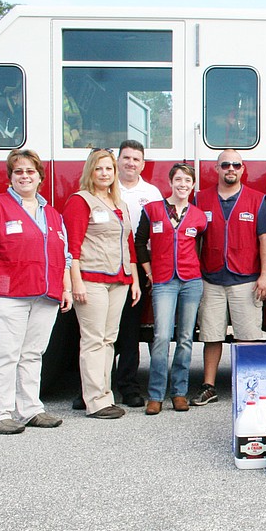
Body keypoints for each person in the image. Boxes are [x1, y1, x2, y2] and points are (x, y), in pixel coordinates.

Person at [0, 149, 72, 434]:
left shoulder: (52, 214)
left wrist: (66, 288)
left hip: (44, 296)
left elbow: (65, 255)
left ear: (40, 178)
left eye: (30, 172)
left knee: (33, 354)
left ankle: (31, 410)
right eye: (18, 172)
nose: (25, 176)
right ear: (10, 178)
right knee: (4, 354)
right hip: (3, 295)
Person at [190, 150, 266, 406]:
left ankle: (248, 388)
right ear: (216, 169)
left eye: (235, 165)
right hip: (211, 278)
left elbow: (265, 241)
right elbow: (191, 239)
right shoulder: (199, 199)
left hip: (246, 279)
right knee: (211, 336)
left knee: (247, 337)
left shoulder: (257, 200)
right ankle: (208, 387)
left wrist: (265, 276)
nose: (230, 168)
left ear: (242, 168)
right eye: (225, 164)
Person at [64, 148, 141, 419]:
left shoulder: (119, 205)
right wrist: (76, 284)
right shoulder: (80, 201)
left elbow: (129, 244)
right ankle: (95, 401)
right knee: (93, 340)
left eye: (109, 169)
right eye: (99, 168)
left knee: (109, 340)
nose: (104, 173)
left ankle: (104, 396)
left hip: (119, 281)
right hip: (91, 279)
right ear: (90, 172)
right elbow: (71, 248)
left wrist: (133, 280)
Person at [135, 163, 207, 415]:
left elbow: (204, 246)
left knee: (186, 339)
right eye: (178, 179)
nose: (183, 184)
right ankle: (155, 395)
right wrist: (148, 271)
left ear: (193, 184)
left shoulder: (198, 216)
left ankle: (179, 393)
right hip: (163, 281)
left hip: (191, 281)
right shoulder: (152, 210)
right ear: (171, 182)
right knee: (162, 337)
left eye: (188, 180)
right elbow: (139, 242)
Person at [110, 140, 163, 408]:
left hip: (137, 267)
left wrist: (149, 270)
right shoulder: (105, 187)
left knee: (130, 330)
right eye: (126, 158)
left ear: (143, 164)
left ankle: (129, 387)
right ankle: (95, 389)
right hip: (106, 265)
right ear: (117, 160)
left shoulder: (151, 193)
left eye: (136, 159)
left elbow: (155, 235)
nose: (130, 163)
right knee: (100, 331)